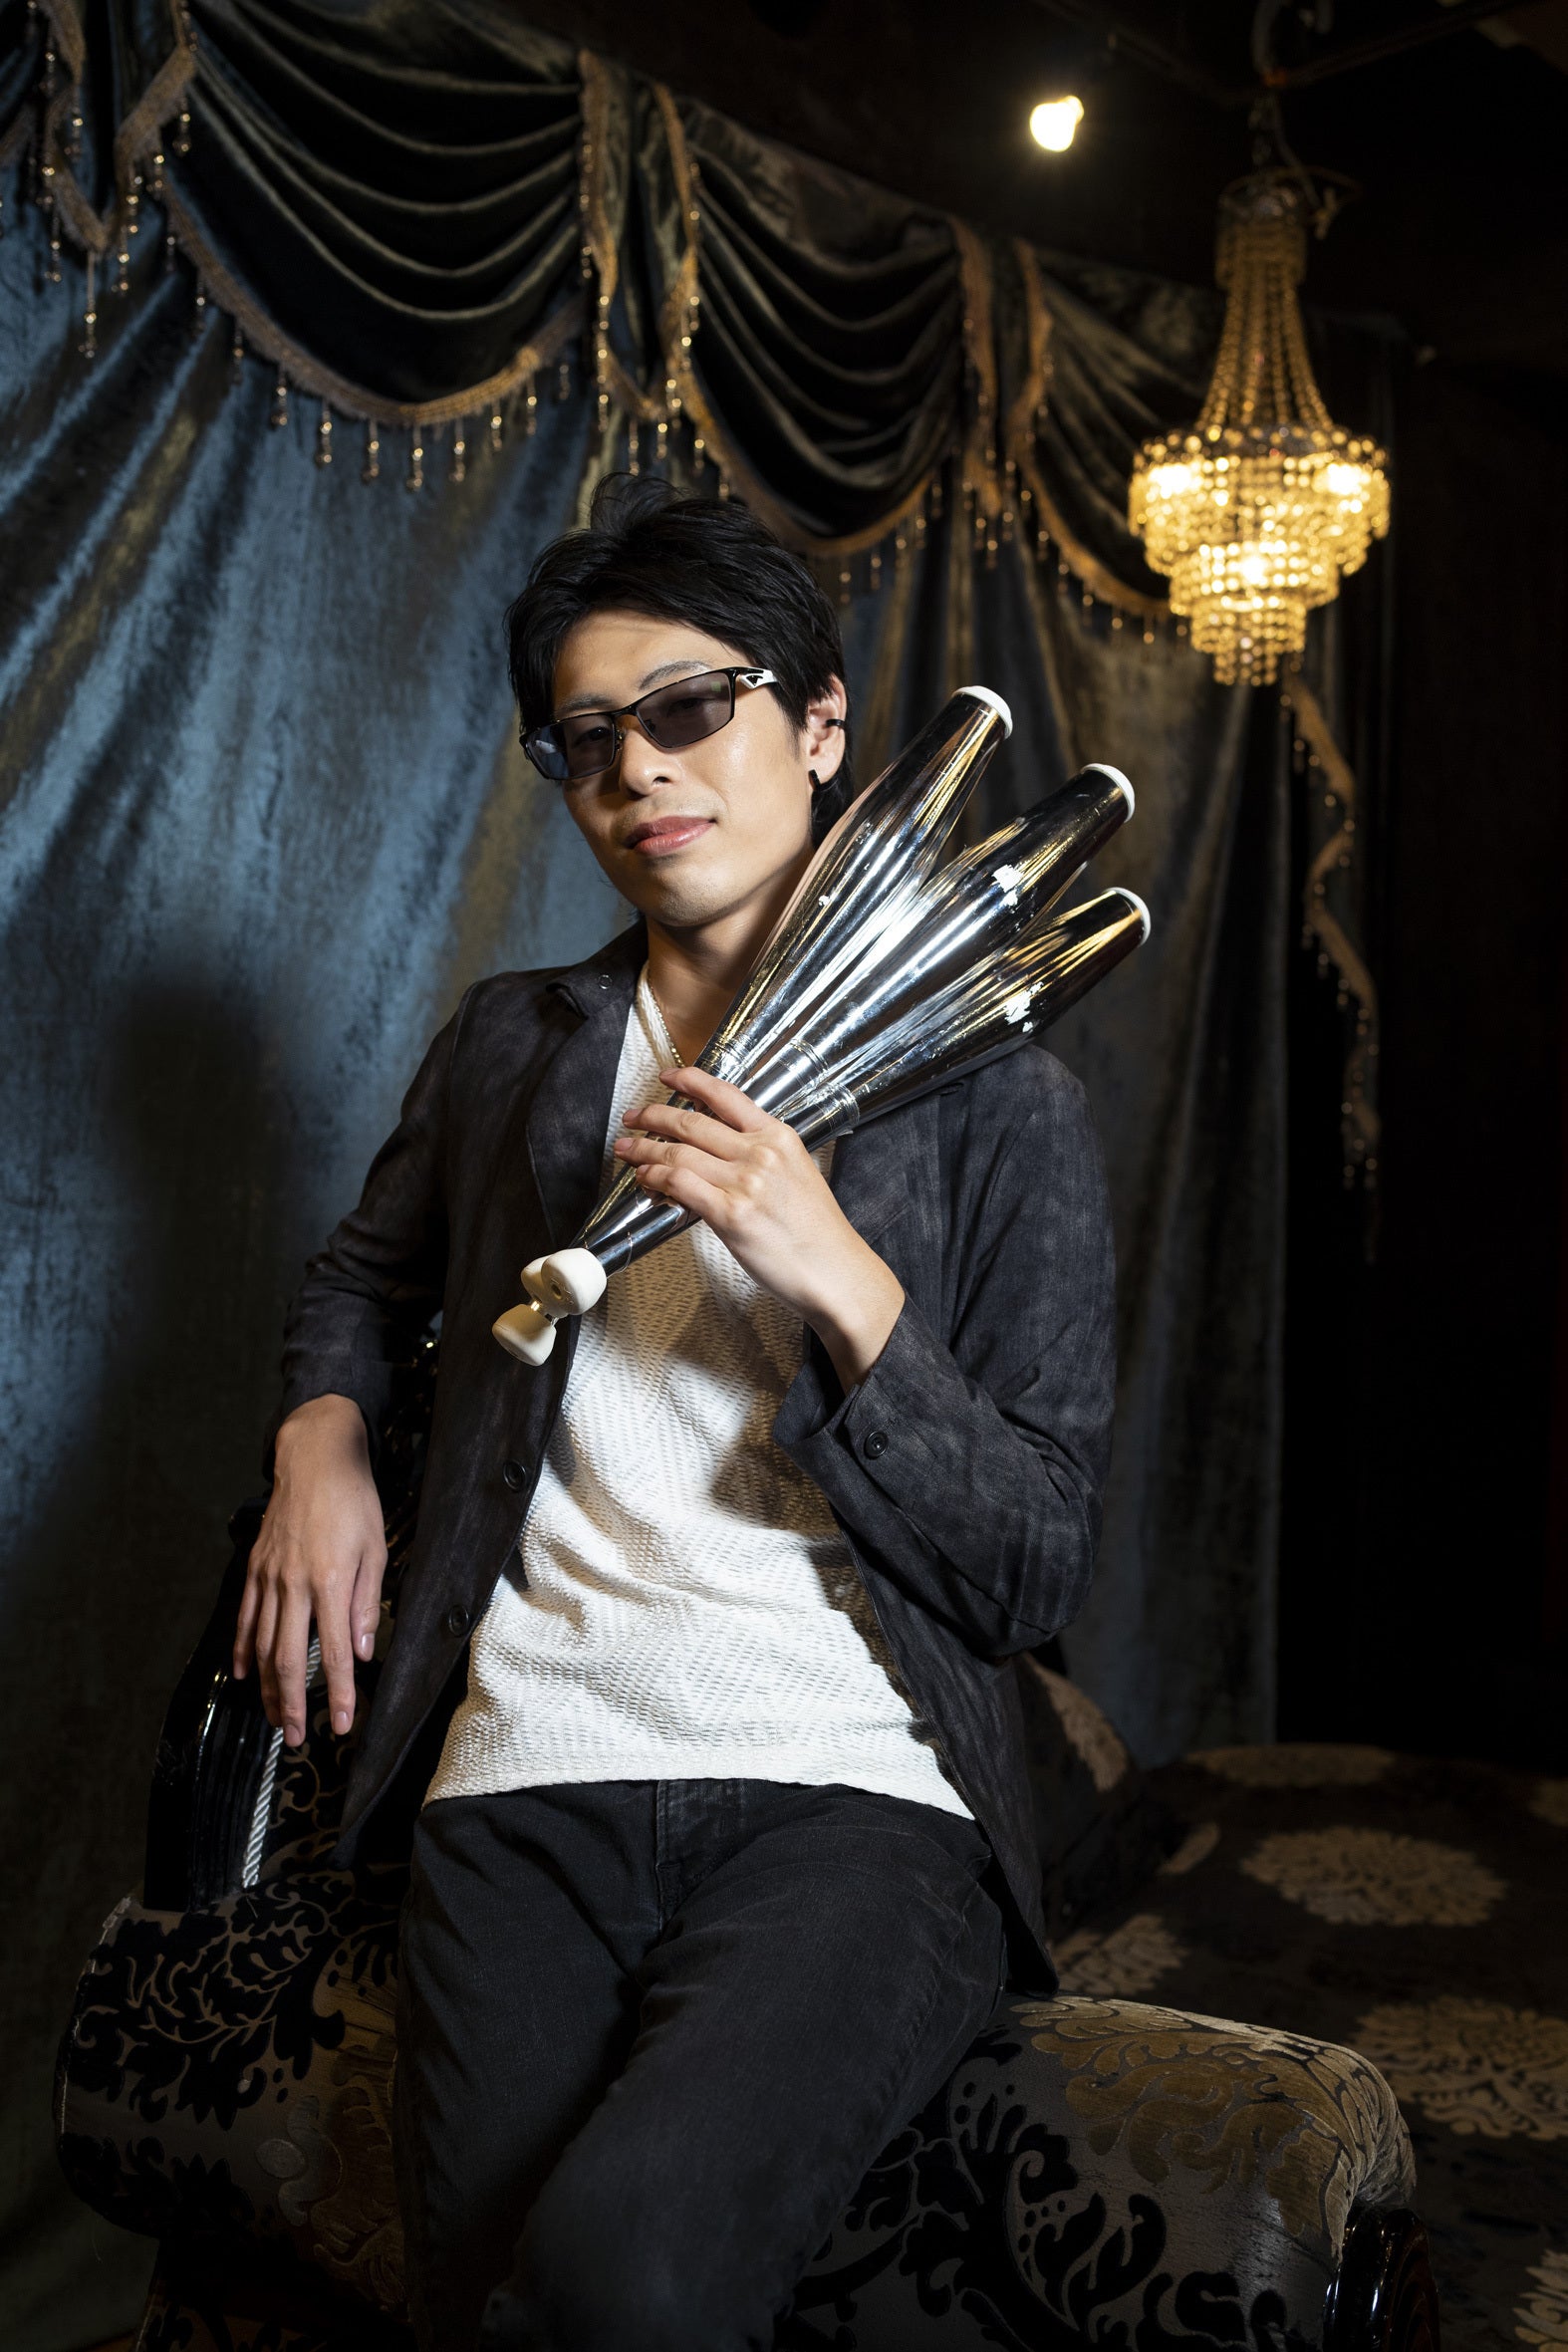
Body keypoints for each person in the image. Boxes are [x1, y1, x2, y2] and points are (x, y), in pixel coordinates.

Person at [234, 476, 1117, 2352]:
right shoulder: (515, 1043)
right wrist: (320, 1437)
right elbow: (358, 1285)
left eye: (691, 707)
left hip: (853, 1790)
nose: (636, 768)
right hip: (527, 1770)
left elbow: (1032, 1560)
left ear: (819, 724)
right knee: (481, 2295)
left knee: (624, 2276)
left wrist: (839, 1274)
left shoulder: (998, 1097)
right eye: (585, 739)